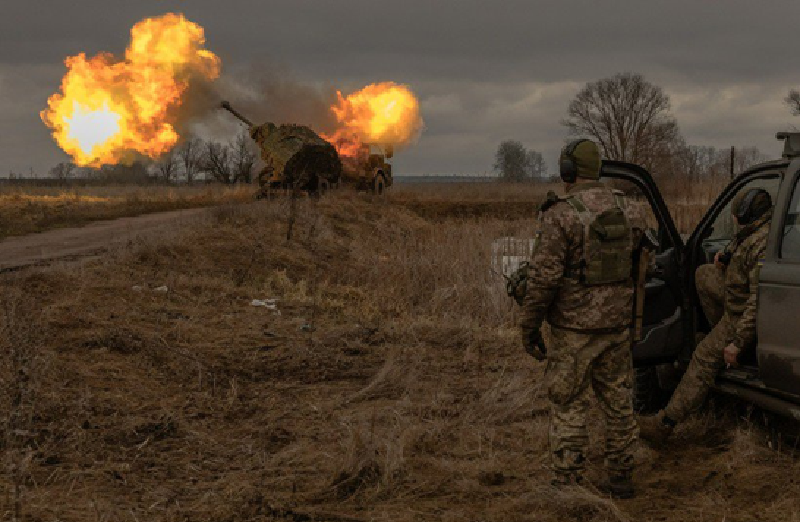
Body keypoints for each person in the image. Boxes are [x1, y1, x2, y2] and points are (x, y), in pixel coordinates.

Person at [520, 139, 649, 499]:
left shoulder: (560, 214)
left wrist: (529, 325)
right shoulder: (632, 210)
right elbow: (641, 263)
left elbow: (543, 279)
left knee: (569, 403)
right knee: (618, 403)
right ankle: (621, 476)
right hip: (617, 326)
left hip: (573, 330)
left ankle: (568, 482)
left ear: (568, 170)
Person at [639, 188, 773, 443]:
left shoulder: (762, 244)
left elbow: (758, 302)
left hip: (742, 314)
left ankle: (665, 423)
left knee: (702, 356)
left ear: (746, 213)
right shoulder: (755, 232)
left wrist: (737, 342)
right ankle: (720, 334)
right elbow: (739, 253)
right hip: (737, 298)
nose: (734, 218)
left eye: (737, 213)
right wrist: (725, 258)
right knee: (704, 274)